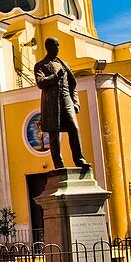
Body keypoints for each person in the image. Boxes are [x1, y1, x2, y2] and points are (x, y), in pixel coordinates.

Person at [33, 37, 88, 169]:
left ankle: (79, 159)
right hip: (51, 103)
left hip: (66, 99)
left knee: (74, 128)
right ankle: (58, 163)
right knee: (54, 132)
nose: (57, 48)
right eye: (55, 46)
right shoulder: (40, 65)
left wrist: (76, 103)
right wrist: (55, 77)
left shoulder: (65, 64)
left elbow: (72, 86)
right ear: (48, 47)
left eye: (58, 45)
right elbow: (40, 82)